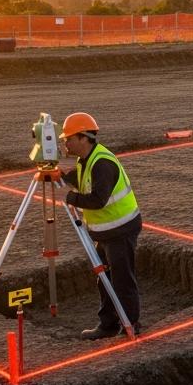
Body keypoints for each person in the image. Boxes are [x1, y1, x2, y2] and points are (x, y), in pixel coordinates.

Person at [59, 112, 142, 339]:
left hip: (121, 229)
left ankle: (130, 326)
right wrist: (64, 177)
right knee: (104, 279)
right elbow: (83, 177)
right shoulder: (87, 159)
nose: (64, 143)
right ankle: (108, 326)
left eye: (68, 138)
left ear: (84, 137)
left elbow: (98, 200)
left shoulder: (102, 163)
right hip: (105, 231)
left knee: (121, 280)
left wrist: (69, 197)